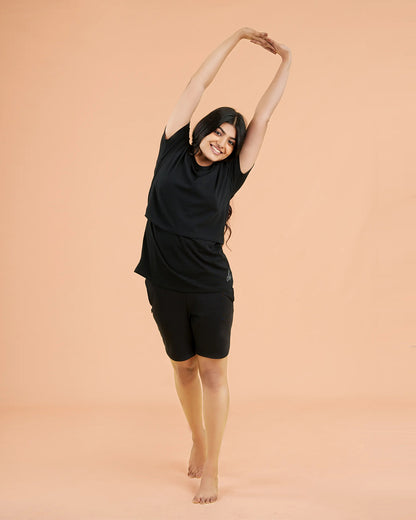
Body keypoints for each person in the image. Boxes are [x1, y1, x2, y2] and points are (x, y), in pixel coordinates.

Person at [133, 27, 291, 504]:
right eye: (218, 131)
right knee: (183, 368)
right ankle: (198, 438)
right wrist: (238, 36)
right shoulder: (171, 149)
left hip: (209, 287)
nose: (223, 142)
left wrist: (286, 61)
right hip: (162, 282)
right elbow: (197, 84)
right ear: (202, 130)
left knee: (213, 374)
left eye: (231, 139)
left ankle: (213, 469)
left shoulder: (230, 174)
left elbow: (263, 116)